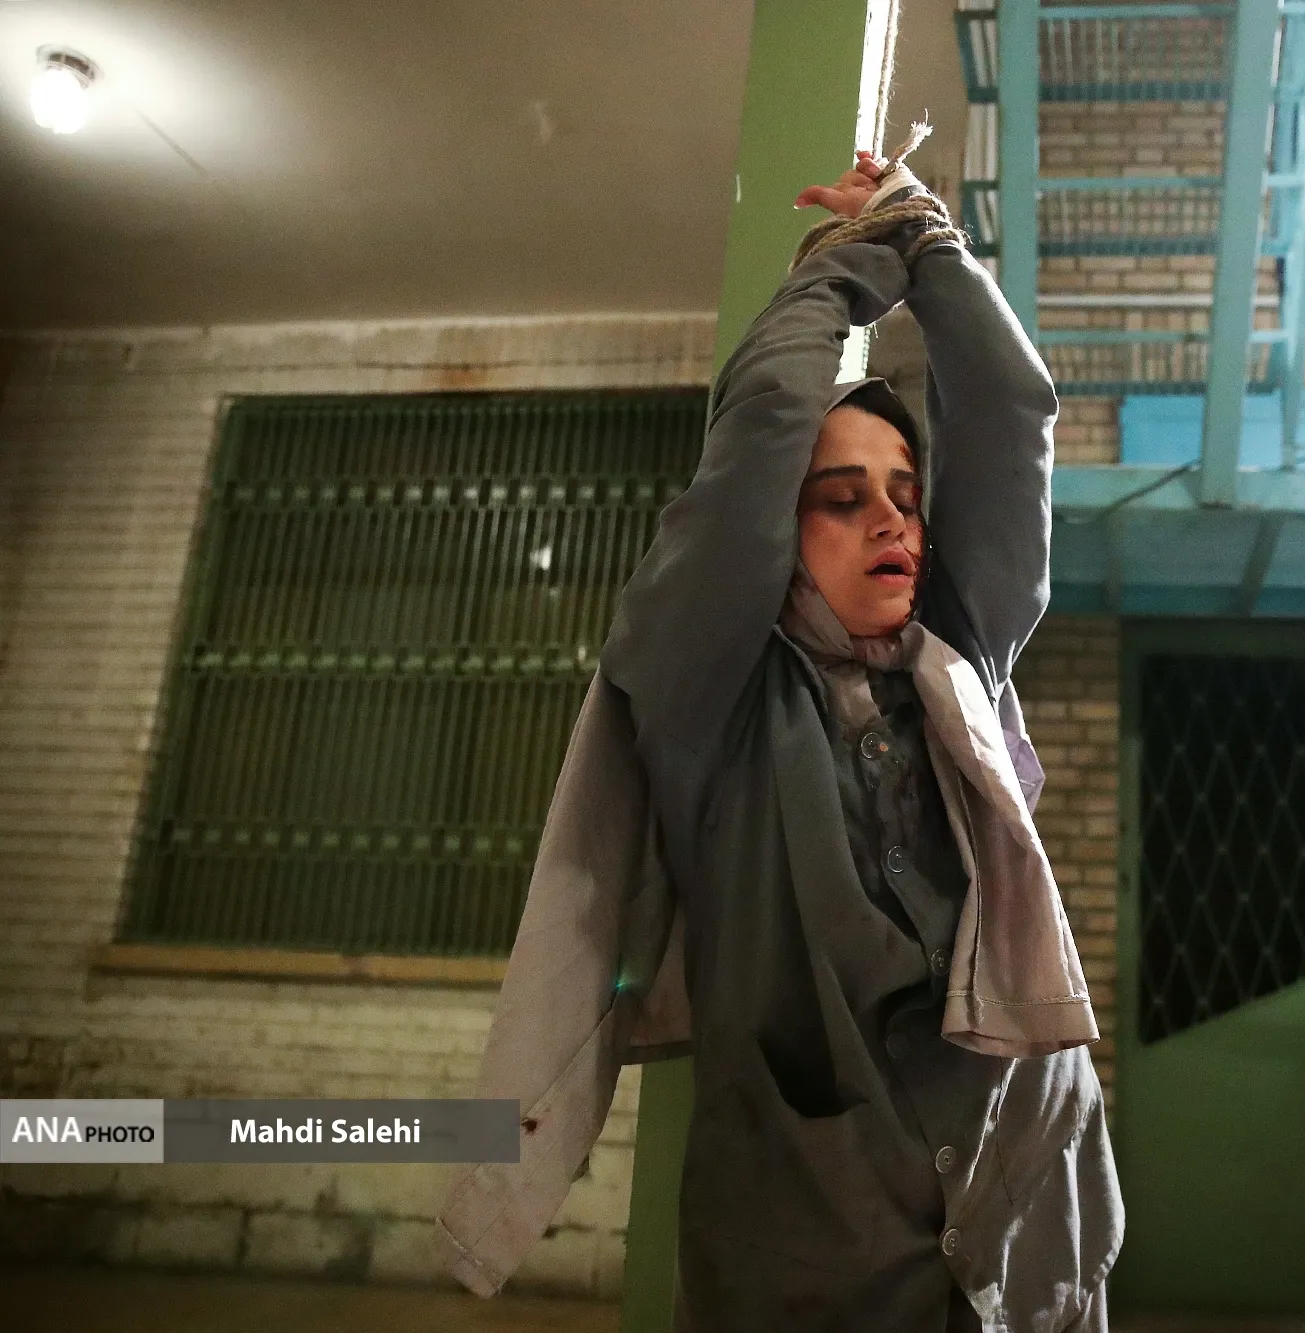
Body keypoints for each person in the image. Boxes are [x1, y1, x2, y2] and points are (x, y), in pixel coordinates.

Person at [436, 144, 1123, 1332]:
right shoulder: (713, 697)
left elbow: (1011, 413)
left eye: (904, 495)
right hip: (815, 1266)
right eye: (841, 499)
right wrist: (841, 270)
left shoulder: (959, 663)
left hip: (1027, 1230)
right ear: (774, 537)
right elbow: (762, 426)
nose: (890, 519)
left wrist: (926, 238)